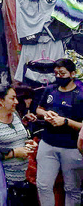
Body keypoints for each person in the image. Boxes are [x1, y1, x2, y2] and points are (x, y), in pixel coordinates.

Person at [35, 58, 83, 206]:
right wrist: (46, 115)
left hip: (72, 148)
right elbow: (39, 109)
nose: (59, 76)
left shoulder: (80, 95)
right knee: (43, 185)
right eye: (56, 73)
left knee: (72, 189)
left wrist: (66, 122)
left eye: (62, 73)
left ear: (72, 74)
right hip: (48, 144)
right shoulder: (51, 90)